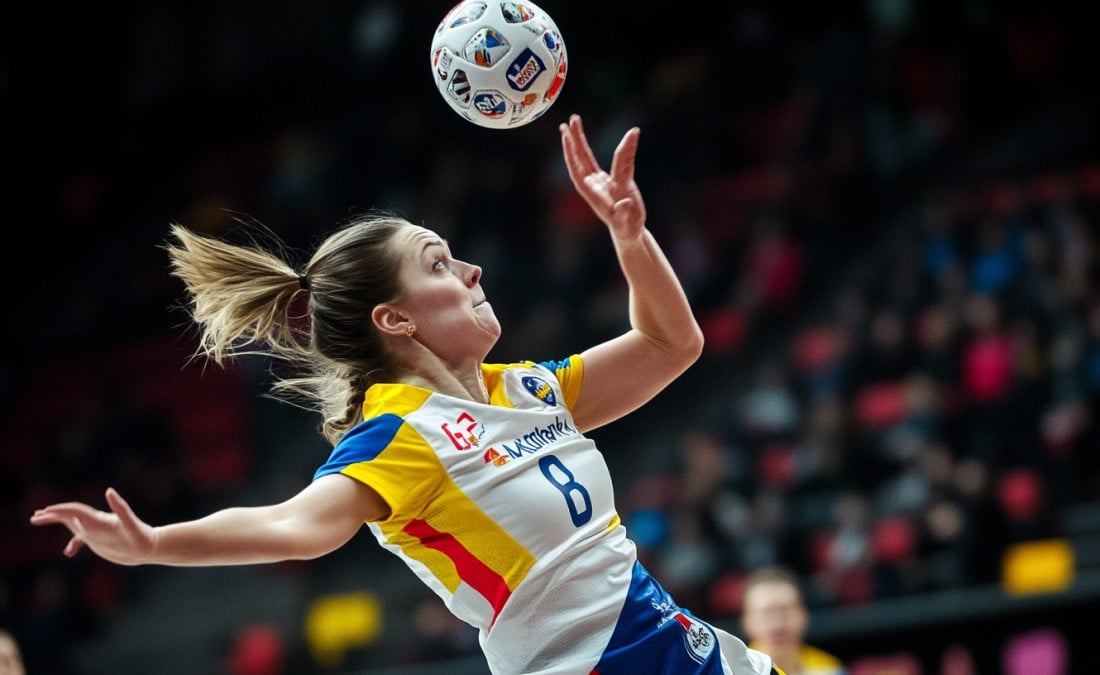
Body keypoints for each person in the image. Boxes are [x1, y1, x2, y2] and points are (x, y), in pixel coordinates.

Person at [31, 114, 777, 675]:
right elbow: (297, 526)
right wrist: (156, 543)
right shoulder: (398, 434)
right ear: (395, 318)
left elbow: (670, 345)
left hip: (683, 645)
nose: (473, 270)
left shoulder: (523, 388)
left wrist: (629, 238)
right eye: (441, 263)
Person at [740, 566, 845, 675]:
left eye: (785, 613)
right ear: (747, 621)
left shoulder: (829, 669)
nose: (777, 625)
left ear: (804, 615)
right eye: (767, 614)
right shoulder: (731, 669)